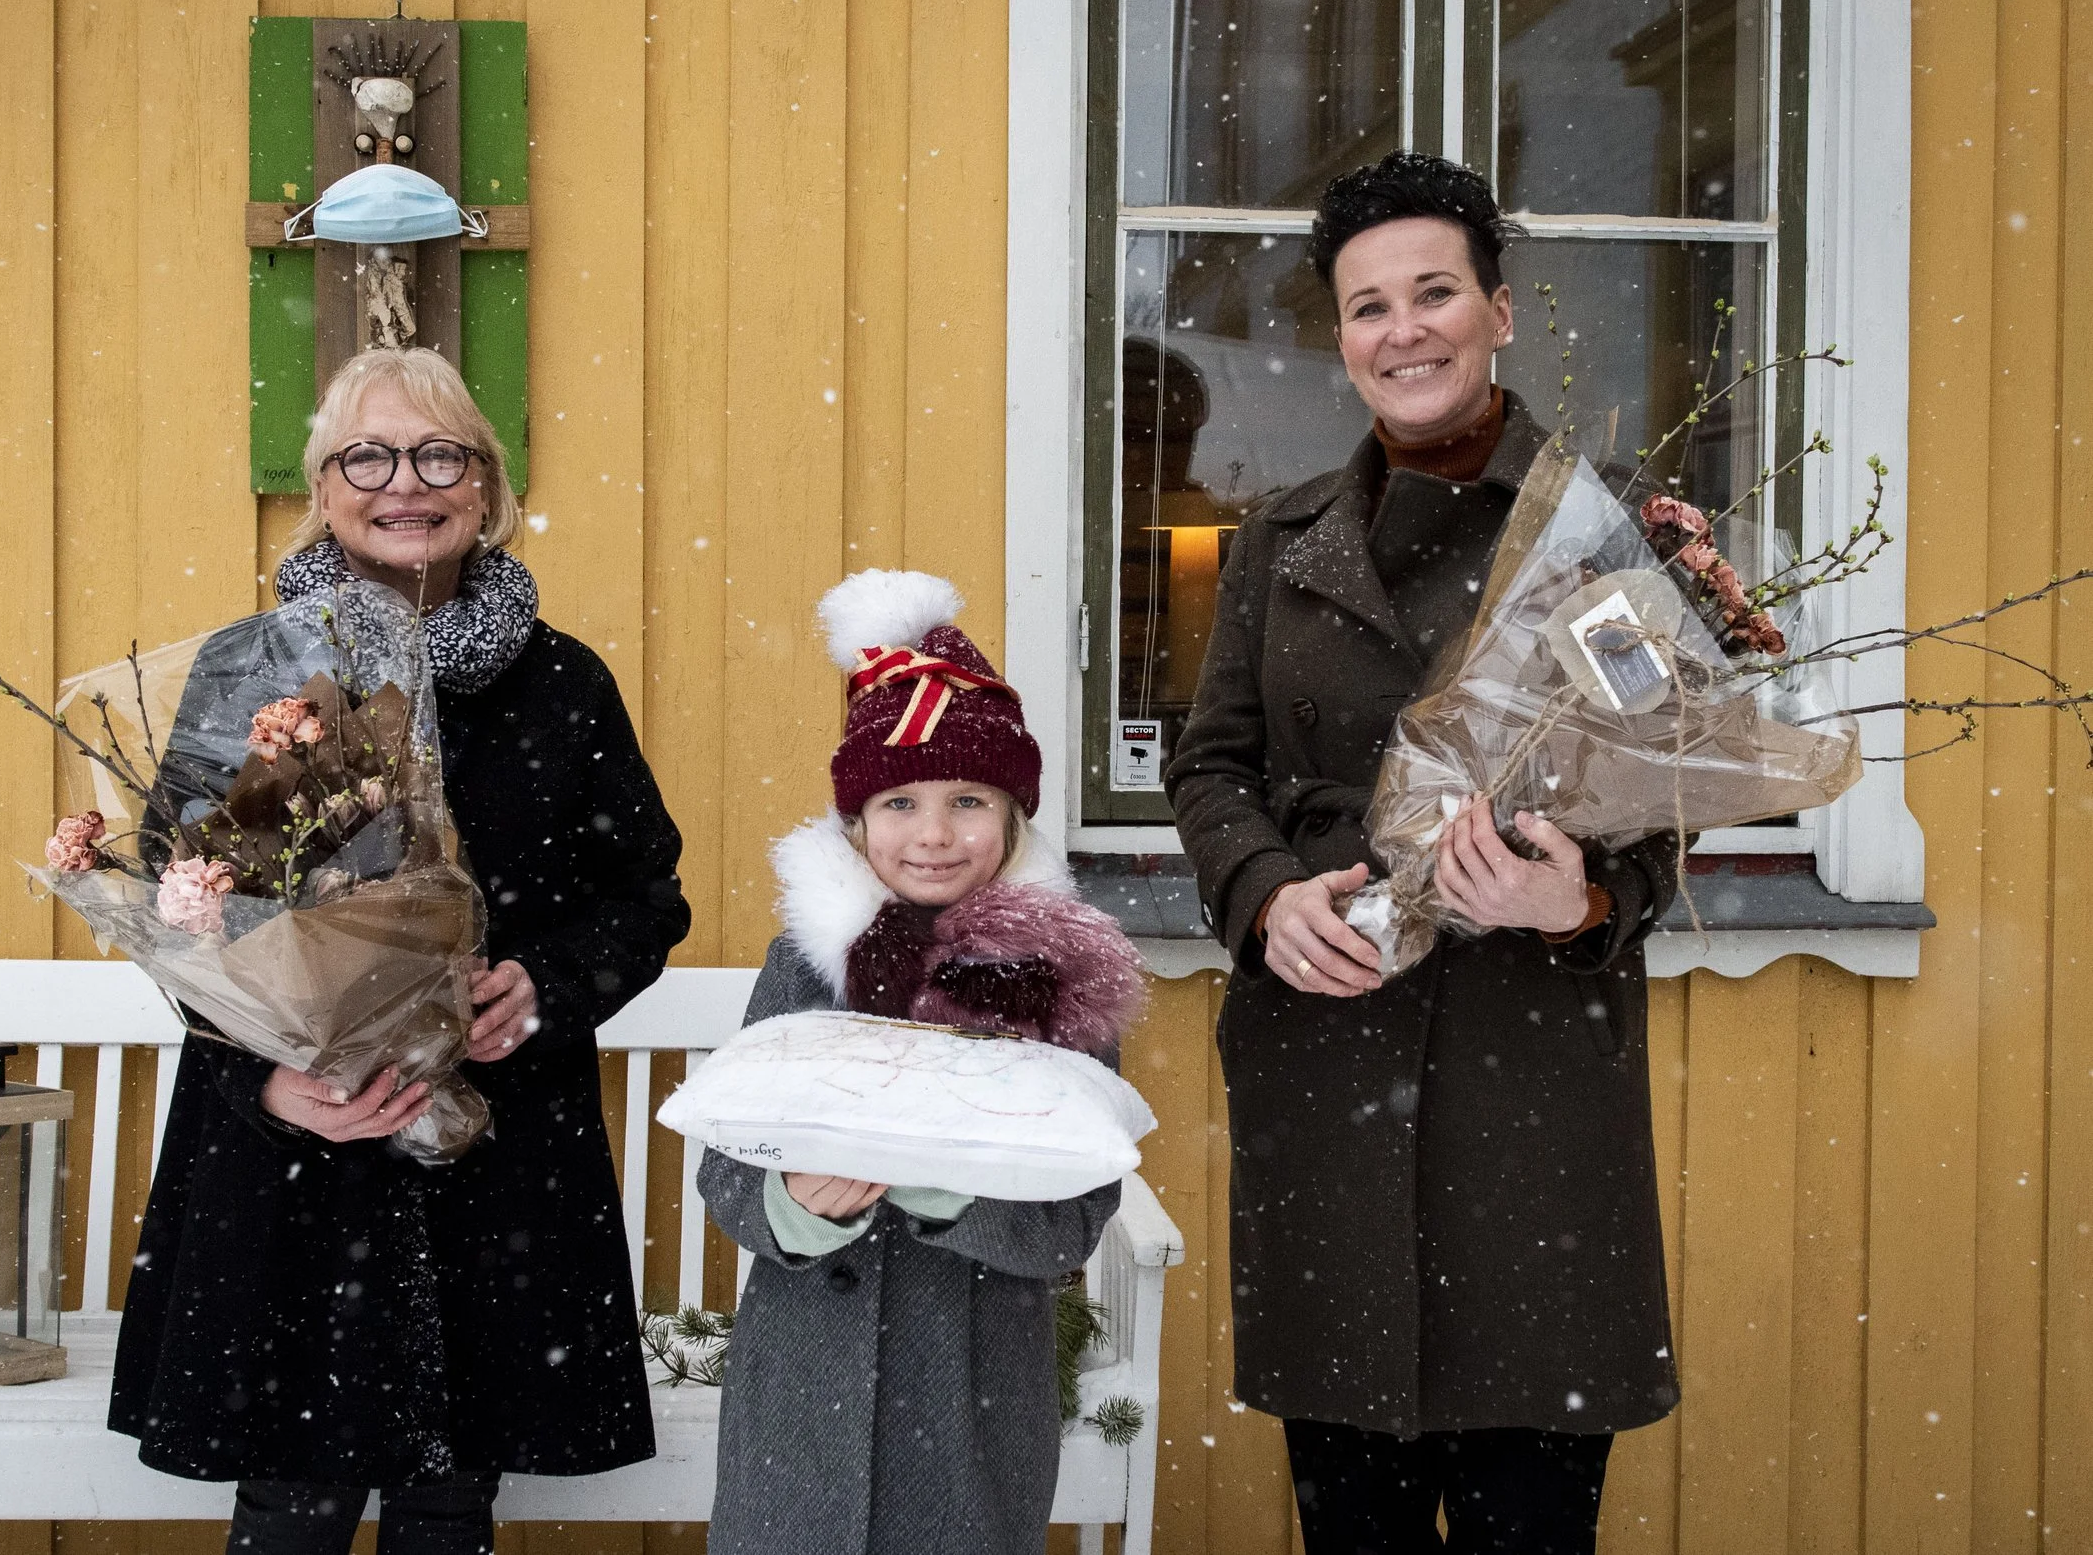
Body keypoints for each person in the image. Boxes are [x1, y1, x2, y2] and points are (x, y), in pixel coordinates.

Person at [1164, 151, 1684, 1555]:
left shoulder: (1601, 530)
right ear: (1341, 338)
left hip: (1532, 1082)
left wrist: (1575, 898)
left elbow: (1670, 791)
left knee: (1529, 1510)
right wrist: (1266, 898)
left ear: (1499, 310)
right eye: (1368, 306)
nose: (1405, 331)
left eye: (1435, 292)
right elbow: (1210, 768)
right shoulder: (1280, 543)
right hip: (1328, 1063)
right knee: (1356, 1516)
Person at [108, 347, 692, 1555]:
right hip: (292, 1156)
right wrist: (264, 1076)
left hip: (494, 1154)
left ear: (487, 487)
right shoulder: (251, 672)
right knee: (289, 1500)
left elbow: (644, 897)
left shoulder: (563, 686)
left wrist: (550, 985)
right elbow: (180, 907)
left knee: (449, 1495)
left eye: (441, 455)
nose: (404, 484)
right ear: (322, 489)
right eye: (365, 457)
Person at [698, 569, 1142, 1555]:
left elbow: (1070, 1220)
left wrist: (947, 1189)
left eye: (968, 800)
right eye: (898, 801)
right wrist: (791, 1204)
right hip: (798, 1411)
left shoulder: (1058, 978)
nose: (933, 834)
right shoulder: (803, 968)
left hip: (972, 1403)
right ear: (856, 821)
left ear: (1014, 814)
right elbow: (725, 1169)